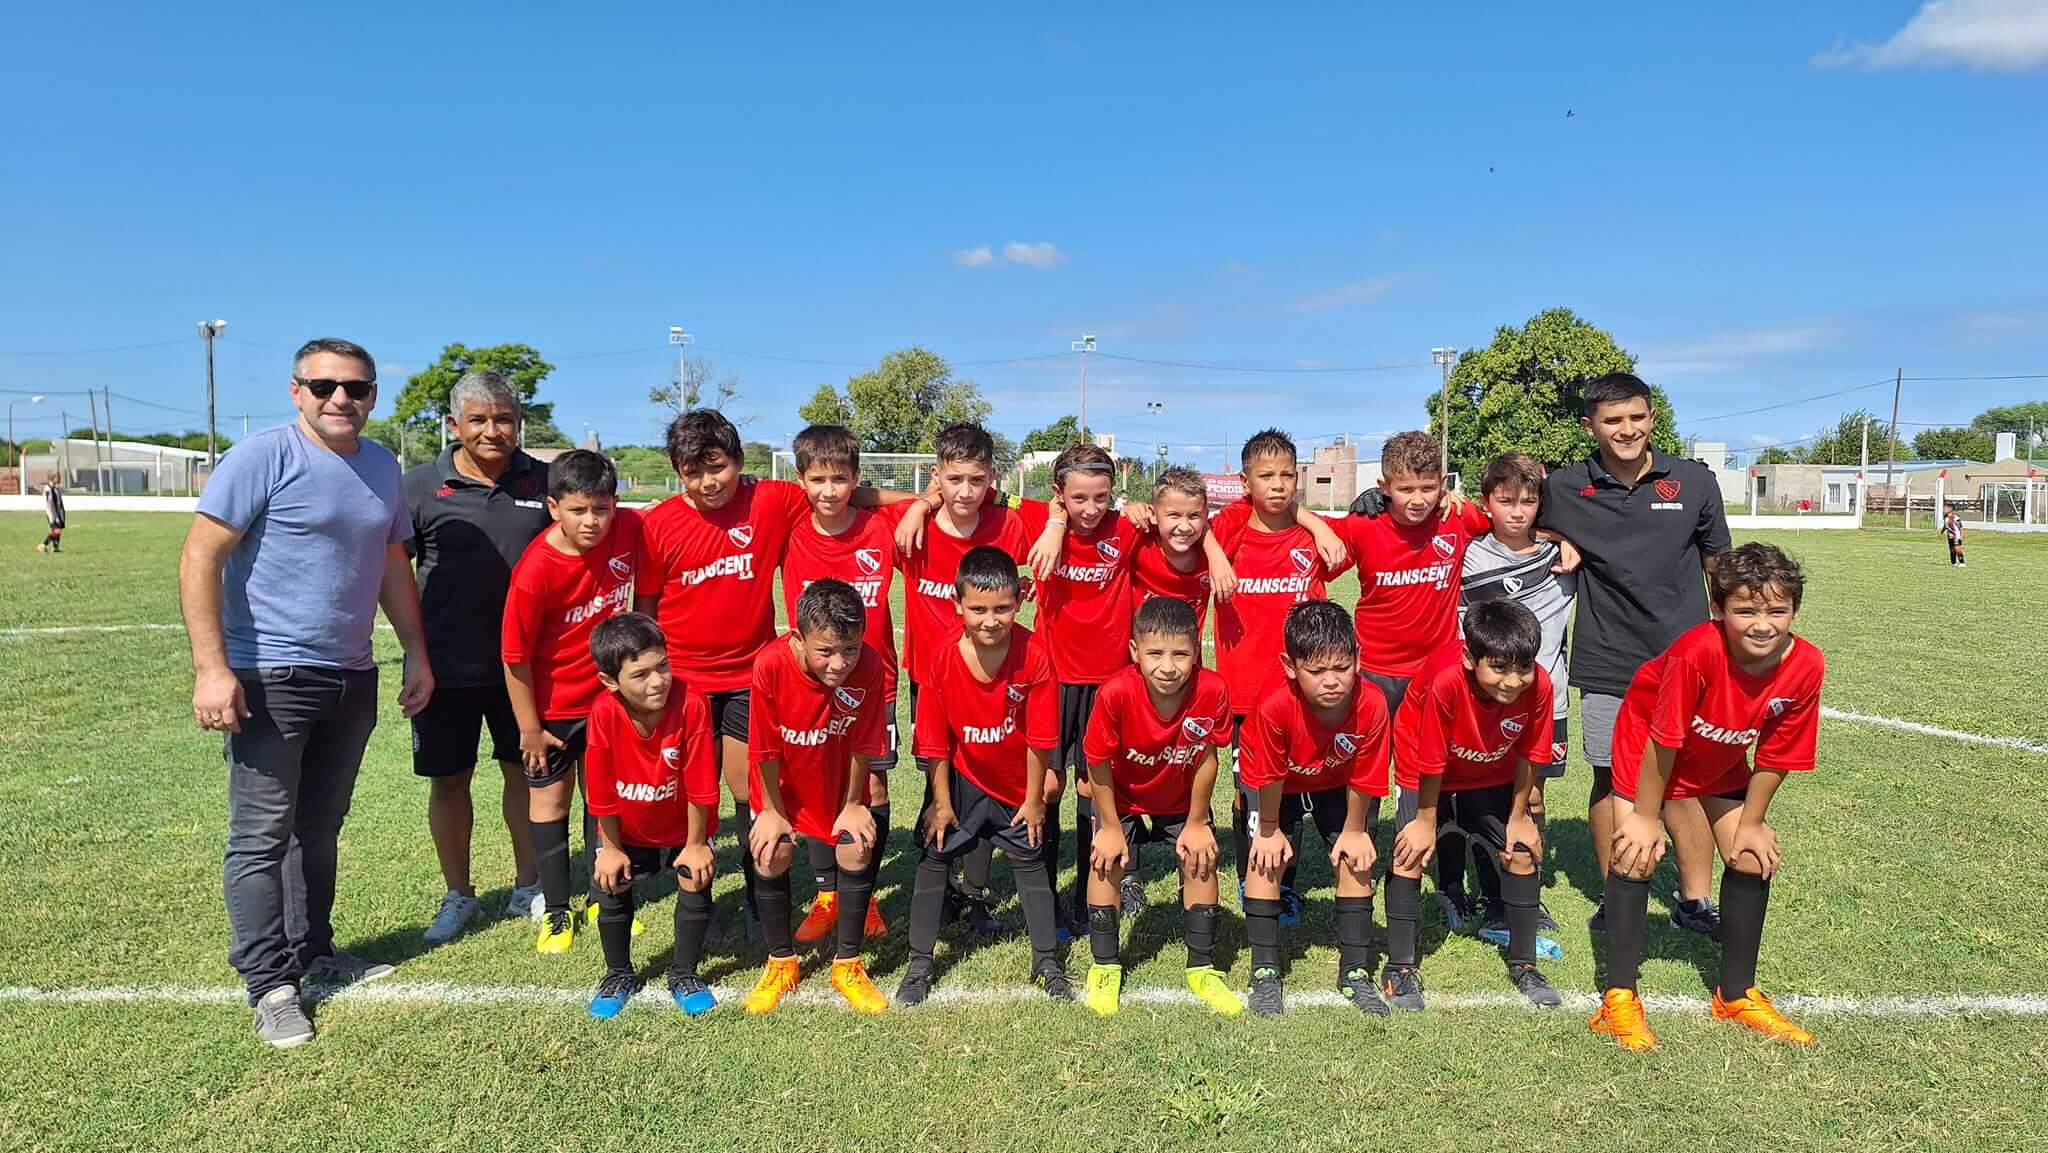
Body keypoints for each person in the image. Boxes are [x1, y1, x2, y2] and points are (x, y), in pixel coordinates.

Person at [178, 337, 432, 1049]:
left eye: (354, 387)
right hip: (269, 676)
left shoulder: (383, 466)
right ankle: (270, 985)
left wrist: (414, 648)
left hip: (351, 675)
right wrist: (212, 667)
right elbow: (201, 554)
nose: (339, 398)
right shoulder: (262, 455)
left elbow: (390, 564)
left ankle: (313, 950)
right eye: (323, 386)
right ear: (297, 391)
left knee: (319, 826)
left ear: (373, 395)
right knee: (259, 836)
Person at [639, 409, 909, 939]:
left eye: (717, 467)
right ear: (677, 470)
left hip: (761, 676)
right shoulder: (662, 522)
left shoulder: (771, 501)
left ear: (741, 463)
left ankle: (779, 903)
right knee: (693, 788)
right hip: (694, 681)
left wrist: (910, 505)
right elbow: (644, 604)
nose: (708, 481)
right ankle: (702, 903)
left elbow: (844, 485)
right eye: (693, 471)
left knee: (755, 791)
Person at [1589, 543, 1824, 1051]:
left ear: (1795, 611)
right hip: (1649, 750)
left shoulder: (1806, 664)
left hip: (1718, 761)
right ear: (1718, 611)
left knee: (1751, 856)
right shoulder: (1698, 650)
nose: (1762, 624)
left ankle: (1736, 994)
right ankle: (1619, 998)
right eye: (1745, 611)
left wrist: (1753, 821)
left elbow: (1779, 753)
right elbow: (1663, 739)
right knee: (1634, 854)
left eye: (1777, 611)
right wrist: (1647, 816)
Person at [1539, 372, 1729, 937]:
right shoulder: (1566, 488)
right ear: (1590, 426)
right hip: (1608, 661)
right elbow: (1510, 518)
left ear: (1652, 417)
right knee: (1612, 778)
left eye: (1637, 417)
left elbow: (1718, 564)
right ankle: (1615, 896)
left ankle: (1695, 901)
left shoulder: (1694, 481)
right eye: (1613, 420)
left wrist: (1728, 643)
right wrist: (1559, 539)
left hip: (1688, 661)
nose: (1627, 429)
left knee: (1685, 781)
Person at [402, 371, 554, 944]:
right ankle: (459, 894)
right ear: (454, 424)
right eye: (479, 420)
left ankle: (528, 884)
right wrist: (414, 656)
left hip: (525, 668)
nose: (493, 431)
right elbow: (394, 572)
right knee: (449, 780)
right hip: (444, 669)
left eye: (505, 419)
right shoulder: (417, 486)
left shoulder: (545, 481)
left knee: (526, 772)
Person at [1322, 432, 1496, 926]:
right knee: (1369, 784)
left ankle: (1417, 887)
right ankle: (1357, 880)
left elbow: (1515, 514)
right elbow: (1311, 542)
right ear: (1384, 487)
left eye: (1428, 487)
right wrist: (1324, 526)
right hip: (1375, 677)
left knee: (1427, 787)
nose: (1418, 500)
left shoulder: (1458, 517)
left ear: (1443, 484)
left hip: (1436, 680)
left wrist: (1561, 541)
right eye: (1405, 490)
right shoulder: (1364, 528)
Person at [891, 422, 1051, 937]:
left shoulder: (1010, 521)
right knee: (938, 786)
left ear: (992, 478)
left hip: (998, 680)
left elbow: (1067, 506)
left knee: (990, 781)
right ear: (937, 475)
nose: (965, 492)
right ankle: (938, 883)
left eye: (977, 480)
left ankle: (975, 894)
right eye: (953, 479)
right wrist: (919, 503)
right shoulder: (911, 524)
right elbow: (861, 492)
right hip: (934, 684)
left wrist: (1055, 528)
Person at [896, 546, 1072, 1005]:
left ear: (1019, 602)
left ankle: (1047, 961)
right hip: (963, 779)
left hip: (1017, 782)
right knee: (935, 856)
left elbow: (1040, 738)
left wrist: (1034, 801)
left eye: (1001, 609)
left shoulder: (1035, 652)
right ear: (958, 606)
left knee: (1030, 858)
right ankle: (920, 963)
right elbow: (934, 742)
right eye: (977, 609)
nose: (990, 620)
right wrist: (941, 801)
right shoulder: (941, 658)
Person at [500, 450, 653, 953]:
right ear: (552, 507)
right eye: (579, 510)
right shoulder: (535, 570)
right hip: (553, 708)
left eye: (602, 508)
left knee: (605, 795)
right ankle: (557, 910)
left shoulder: (628, 528)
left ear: (616, 503)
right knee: (550, 800)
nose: (592, 521)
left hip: (609, 699)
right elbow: (515, 658)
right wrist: (528, 727)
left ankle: (599, 896)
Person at [1384, 600, 1562, 1011]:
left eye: (1523, 668)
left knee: (1521, 852)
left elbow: (1532, 754)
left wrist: (1519, 818)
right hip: (1426, 768)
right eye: (1498, 667)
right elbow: (1430, 757)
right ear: (1469, 658)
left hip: (1490, 769)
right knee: (1409, 853)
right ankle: (1400, 968)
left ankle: (1524, 965)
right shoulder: (1447, 681)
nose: (1512, 681)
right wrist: (1425, 820)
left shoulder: (1540, 687)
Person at [1208, 429, 1349, 919]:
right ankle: (1256, 878)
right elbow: (1193, 528)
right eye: (1266, 476)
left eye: (1288, 474)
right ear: (1245, 481)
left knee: (1294, 787)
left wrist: (1316, 522)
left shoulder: (1313, 536)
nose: (1278, 485)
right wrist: (1213, 554)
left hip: (1304, 693)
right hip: (1245, 694)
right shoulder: (1228, 527)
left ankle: (1285, 884)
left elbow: (1351, 549)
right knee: (1251, 791)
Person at [1078, 597, 1240, 1017]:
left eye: (1180, 654)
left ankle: (1203, 967)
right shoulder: (1115, 693)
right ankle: (1105, 965)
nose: (1168, 667)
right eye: (1155, 654)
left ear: (1196, 651)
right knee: (1105, 860)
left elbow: (1207, 757)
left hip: (1180, 796)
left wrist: (1199, 820)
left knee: (1201, 857)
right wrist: (1110, 826)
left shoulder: (1213, 689)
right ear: (1135, 652)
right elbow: (1096, 761)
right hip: (1122, 796)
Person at [779, 424, 907, 944]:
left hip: (876, 687)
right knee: (817, 786)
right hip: (807, 688)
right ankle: (827, 893)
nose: (829, 490)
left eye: (840, 479)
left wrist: (916, 506)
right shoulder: (788, 524)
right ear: (800, 479)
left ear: (856, 478)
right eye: (818, 479)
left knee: (872, 785)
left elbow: (931, 495)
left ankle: (864, 894)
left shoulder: (880, 528)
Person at [743, 579, 893, 1014]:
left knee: (856, 849)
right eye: (825, 650)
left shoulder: (869, 664)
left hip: (836, 778)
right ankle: (781, 963)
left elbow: (865, 741)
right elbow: (764, 747)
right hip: (783, 784)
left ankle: (847, 965)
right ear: (798, 638)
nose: (839, 663)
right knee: (771, 854)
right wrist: (771, 811)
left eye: (849, 648)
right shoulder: (770, 664)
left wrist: (852, 804)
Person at [1235, 600, 1392, 1018]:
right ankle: (1265, 971)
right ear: (1290, 666)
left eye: (1341, 668)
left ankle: (1355, 971)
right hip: (1277, 786)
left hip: (1336, 781)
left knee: (1356, 858)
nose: (1331, 682)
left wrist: (1355, 829)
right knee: (1264, 861)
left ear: (1358, 659)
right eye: (1317, 671)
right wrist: (1268, 829)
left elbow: (1365, 773)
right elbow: (1269, 776)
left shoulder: (1372, 704)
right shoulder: (1273, 707)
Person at [1458, 452, 1574, 939]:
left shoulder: (1563, 557)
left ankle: (1529, 893)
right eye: (1505, 501)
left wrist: (1562, 538)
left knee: (1532, 800)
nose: (1517, 511)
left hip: (1548, 700)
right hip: (1487, 703)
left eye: (1528, 501)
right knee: (1488, 799)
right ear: (1487, 503)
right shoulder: (1469, 556)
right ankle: (1492, 896)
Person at [582, 613, 721, 1018]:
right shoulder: (604, 712)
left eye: (662, 666)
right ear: (611, 681)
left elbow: (702, 785)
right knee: (612, 881)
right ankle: (618, 973)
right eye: (640, 674)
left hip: (683, 822)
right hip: (627, 825)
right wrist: (609, 847)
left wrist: (696, 845)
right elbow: (601, 789)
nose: (658, 681)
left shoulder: (692, 703)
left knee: (694, 878)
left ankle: (684, 973)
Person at [36, 472, 64, 553]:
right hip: (52, 514)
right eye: (57, 477)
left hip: (58, 513)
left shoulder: (55, 488)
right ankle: (43, 545)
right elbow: (48, 503)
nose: (59, 479)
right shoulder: (48, 488)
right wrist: (52, 516)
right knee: (56, 530)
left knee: (58, 530)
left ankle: (56, 547)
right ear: (52, 478)